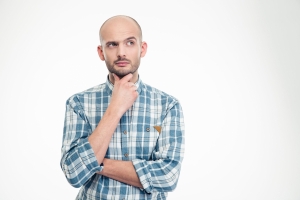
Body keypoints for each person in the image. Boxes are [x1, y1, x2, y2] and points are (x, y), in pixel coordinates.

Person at [60, 15, 185, 200]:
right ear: (101, 52)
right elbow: (73, 173)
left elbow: (168, 176)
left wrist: (96, 162)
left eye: (130, 43)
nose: (121, 53)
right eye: (112, 44)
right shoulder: (78, 103)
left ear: (142, 49)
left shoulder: (167, 105)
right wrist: (115, 108)